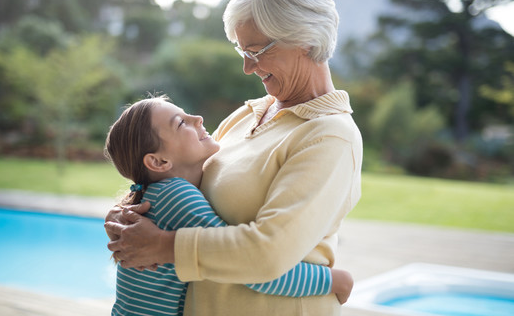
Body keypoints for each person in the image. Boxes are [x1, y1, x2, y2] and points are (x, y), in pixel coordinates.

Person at [105, 0, 363, 316]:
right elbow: (180, 186)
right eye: (242, 50)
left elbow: (266, 255)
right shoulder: (247, 116)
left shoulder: (330, 136)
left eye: (256, 51)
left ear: (304, 38)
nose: (246, 66)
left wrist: (165, 246)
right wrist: (133, 216)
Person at [104, 96, 354, 315]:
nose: (197, 118)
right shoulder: (177, 197)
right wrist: (331, 280)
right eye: (181, 123)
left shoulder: (157, 194)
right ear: (158, 161)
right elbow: (247, 266)